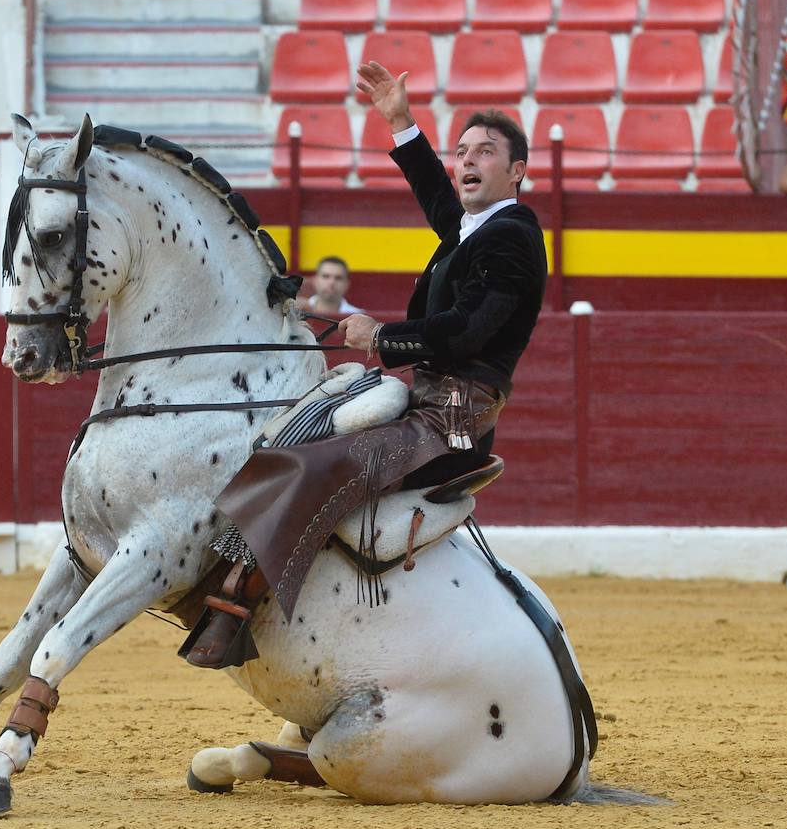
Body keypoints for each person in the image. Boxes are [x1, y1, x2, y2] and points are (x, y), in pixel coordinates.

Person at [179, 69, 547, 670]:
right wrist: (399, 121)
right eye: (462, 152)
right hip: (433, 398)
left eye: (486, 151)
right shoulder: (477, 230)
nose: (467, 161)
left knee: (326, 462)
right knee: (311, 419)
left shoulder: (510, 238)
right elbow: (436, 197)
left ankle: (240, 602)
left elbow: (468, 331)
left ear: (517, 172)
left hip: (455, 418)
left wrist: (382, 337)